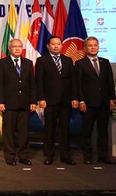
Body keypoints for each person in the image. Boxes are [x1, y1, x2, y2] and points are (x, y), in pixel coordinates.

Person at [36, 36, 78, 166]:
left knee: (65, 129)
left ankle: (66, 156)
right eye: (53, 44)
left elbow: (73, 81)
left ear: (61, 46)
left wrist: (75, 97)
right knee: (50, 129)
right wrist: (41, 98)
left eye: (58, 44)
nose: (56, 46)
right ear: (48, 46)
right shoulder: (42, 60)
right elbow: (39, 81)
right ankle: (49, 155)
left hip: (65, 101)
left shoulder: (68, 60)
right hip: (49, 101)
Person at [75, 36, 116, 165]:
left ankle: (103, 156)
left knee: (103, 131)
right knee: (87, 131)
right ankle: (87, 156)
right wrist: (81, 101)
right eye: (90, 45)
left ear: (98, 47)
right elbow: (78, 84)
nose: (93, 47)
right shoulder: (80, 63)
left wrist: (112, 99)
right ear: (85, 48)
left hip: (104, 102)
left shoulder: (105, 62)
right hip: (88, 103)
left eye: (95, 45)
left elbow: (109, 82)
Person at [0, 38, 36, 166]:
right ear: (9, 49)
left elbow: (32, 84)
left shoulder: (28, 63)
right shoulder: (2, 63)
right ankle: (10, 156)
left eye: (19, 46)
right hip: (8, 104)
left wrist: (33, 101)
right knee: (9, 133)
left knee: (24, 133)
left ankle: (23, 156)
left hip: (25, 104)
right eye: (14, 47)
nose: (17, 48)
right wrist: (0, 101)